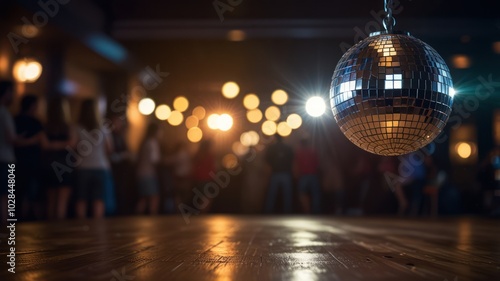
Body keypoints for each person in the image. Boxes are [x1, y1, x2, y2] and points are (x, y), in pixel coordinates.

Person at [75, 99, 113, 219]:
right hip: (100, 166)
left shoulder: (77, 127)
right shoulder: (103, 127)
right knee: (99, 198)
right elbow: (109, 148)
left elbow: (73, 145)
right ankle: (98, 227)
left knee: (81, 198)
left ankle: (81, 226)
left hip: (83, 166)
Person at [42, 97, 76, 220]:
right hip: (64, 164)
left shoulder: (46, 126)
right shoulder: (68, 127)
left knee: (51, 201)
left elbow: (44, 145)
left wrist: (52, 145)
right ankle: (58, 232)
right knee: (62, 201)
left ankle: (50, 231)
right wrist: (62, 145)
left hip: (49, 164)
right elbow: (72, 143)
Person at [14, 94, 44, 220]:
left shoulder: (14, 119)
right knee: (32, 194)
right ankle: (30, 219)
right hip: (31, 163)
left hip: (17, 161)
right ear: (32, 106)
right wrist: (33, 140)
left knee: (16, 194)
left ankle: (17, 219)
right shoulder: (36, 123)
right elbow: (42, 142)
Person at [136, 123, 162, 215]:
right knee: (153, 197)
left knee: (143, 197)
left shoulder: (144, 142)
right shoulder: (152, 142)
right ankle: (153, 217)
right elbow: (155, 160)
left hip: (141, 172)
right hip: (149, 173)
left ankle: (137, 218)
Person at [109, 116, 132, 215]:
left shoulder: (121, 136)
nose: (118, 125)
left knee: (122, 191)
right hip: (113, 169)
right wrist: (122, 156)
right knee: (114, 190)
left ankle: (122, 211)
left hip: (123, 170)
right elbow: (110, 154)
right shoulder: (110, 135)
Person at [264, 135, 294, 213]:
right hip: (283, 173)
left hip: (277, 173)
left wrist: (267, 174)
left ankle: (268, 211)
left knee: (272, 194)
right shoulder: (288, 148)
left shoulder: (272, 148)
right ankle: (287, 211)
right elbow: (292, 161)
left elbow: (267, 162)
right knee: (286, 194)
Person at [0, 81, 16, 224]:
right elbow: (11, 138)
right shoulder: (5, 113)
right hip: (6, 159)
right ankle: (7, 226)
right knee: (7, 194)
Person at [295, 138, 321, 213]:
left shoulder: (299, 152)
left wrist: (296, 175)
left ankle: (306, 209)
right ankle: (316, 210)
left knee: (302, 193)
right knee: (315, 194)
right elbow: (317, 163)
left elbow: (297, 164)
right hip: (313, 174)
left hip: (304, 175)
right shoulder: (313, 151)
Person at [192, 140, 216, 213]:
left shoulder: (198, 154)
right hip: (206, 179)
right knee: (207, 198)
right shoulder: (208, 155)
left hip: (198, 179)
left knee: (200, 198)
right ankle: (203, 214)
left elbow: (194, 167)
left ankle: (201, 213)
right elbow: (212, 168)